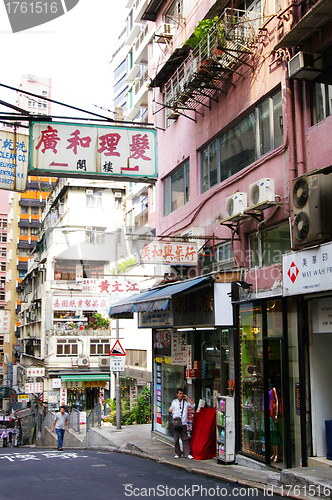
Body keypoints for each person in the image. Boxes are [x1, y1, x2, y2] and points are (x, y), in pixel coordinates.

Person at [169, 388, 195, 459]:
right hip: (176, 422)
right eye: (179, 394)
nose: (181, 395)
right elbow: (171, 409)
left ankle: (187, 453)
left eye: (182, 394)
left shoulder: (186, 402)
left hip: (183, 423)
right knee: (176, 439)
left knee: (185, 439)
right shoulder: (174, 402)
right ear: (177, 394)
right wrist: (171, 411)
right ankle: (177, 453)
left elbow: (193, 405)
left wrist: (188, 398)